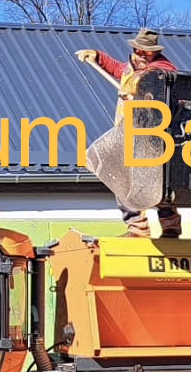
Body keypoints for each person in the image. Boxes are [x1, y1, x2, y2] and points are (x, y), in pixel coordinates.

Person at [75, 27, 182, 239]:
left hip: (151, 136)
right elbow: (118, 68)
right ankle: (148, 226)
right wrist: (98, 56)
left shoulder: (162, 71)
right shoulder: (131, 67)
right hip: (128, 134)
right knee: (130, 178)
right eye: (138, 51)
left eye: (147, 52)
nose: (141, 56)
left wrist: (138, 97)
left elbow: (161, 94)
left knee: (132, 177)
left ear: (155, 53)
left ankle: (153, 226)